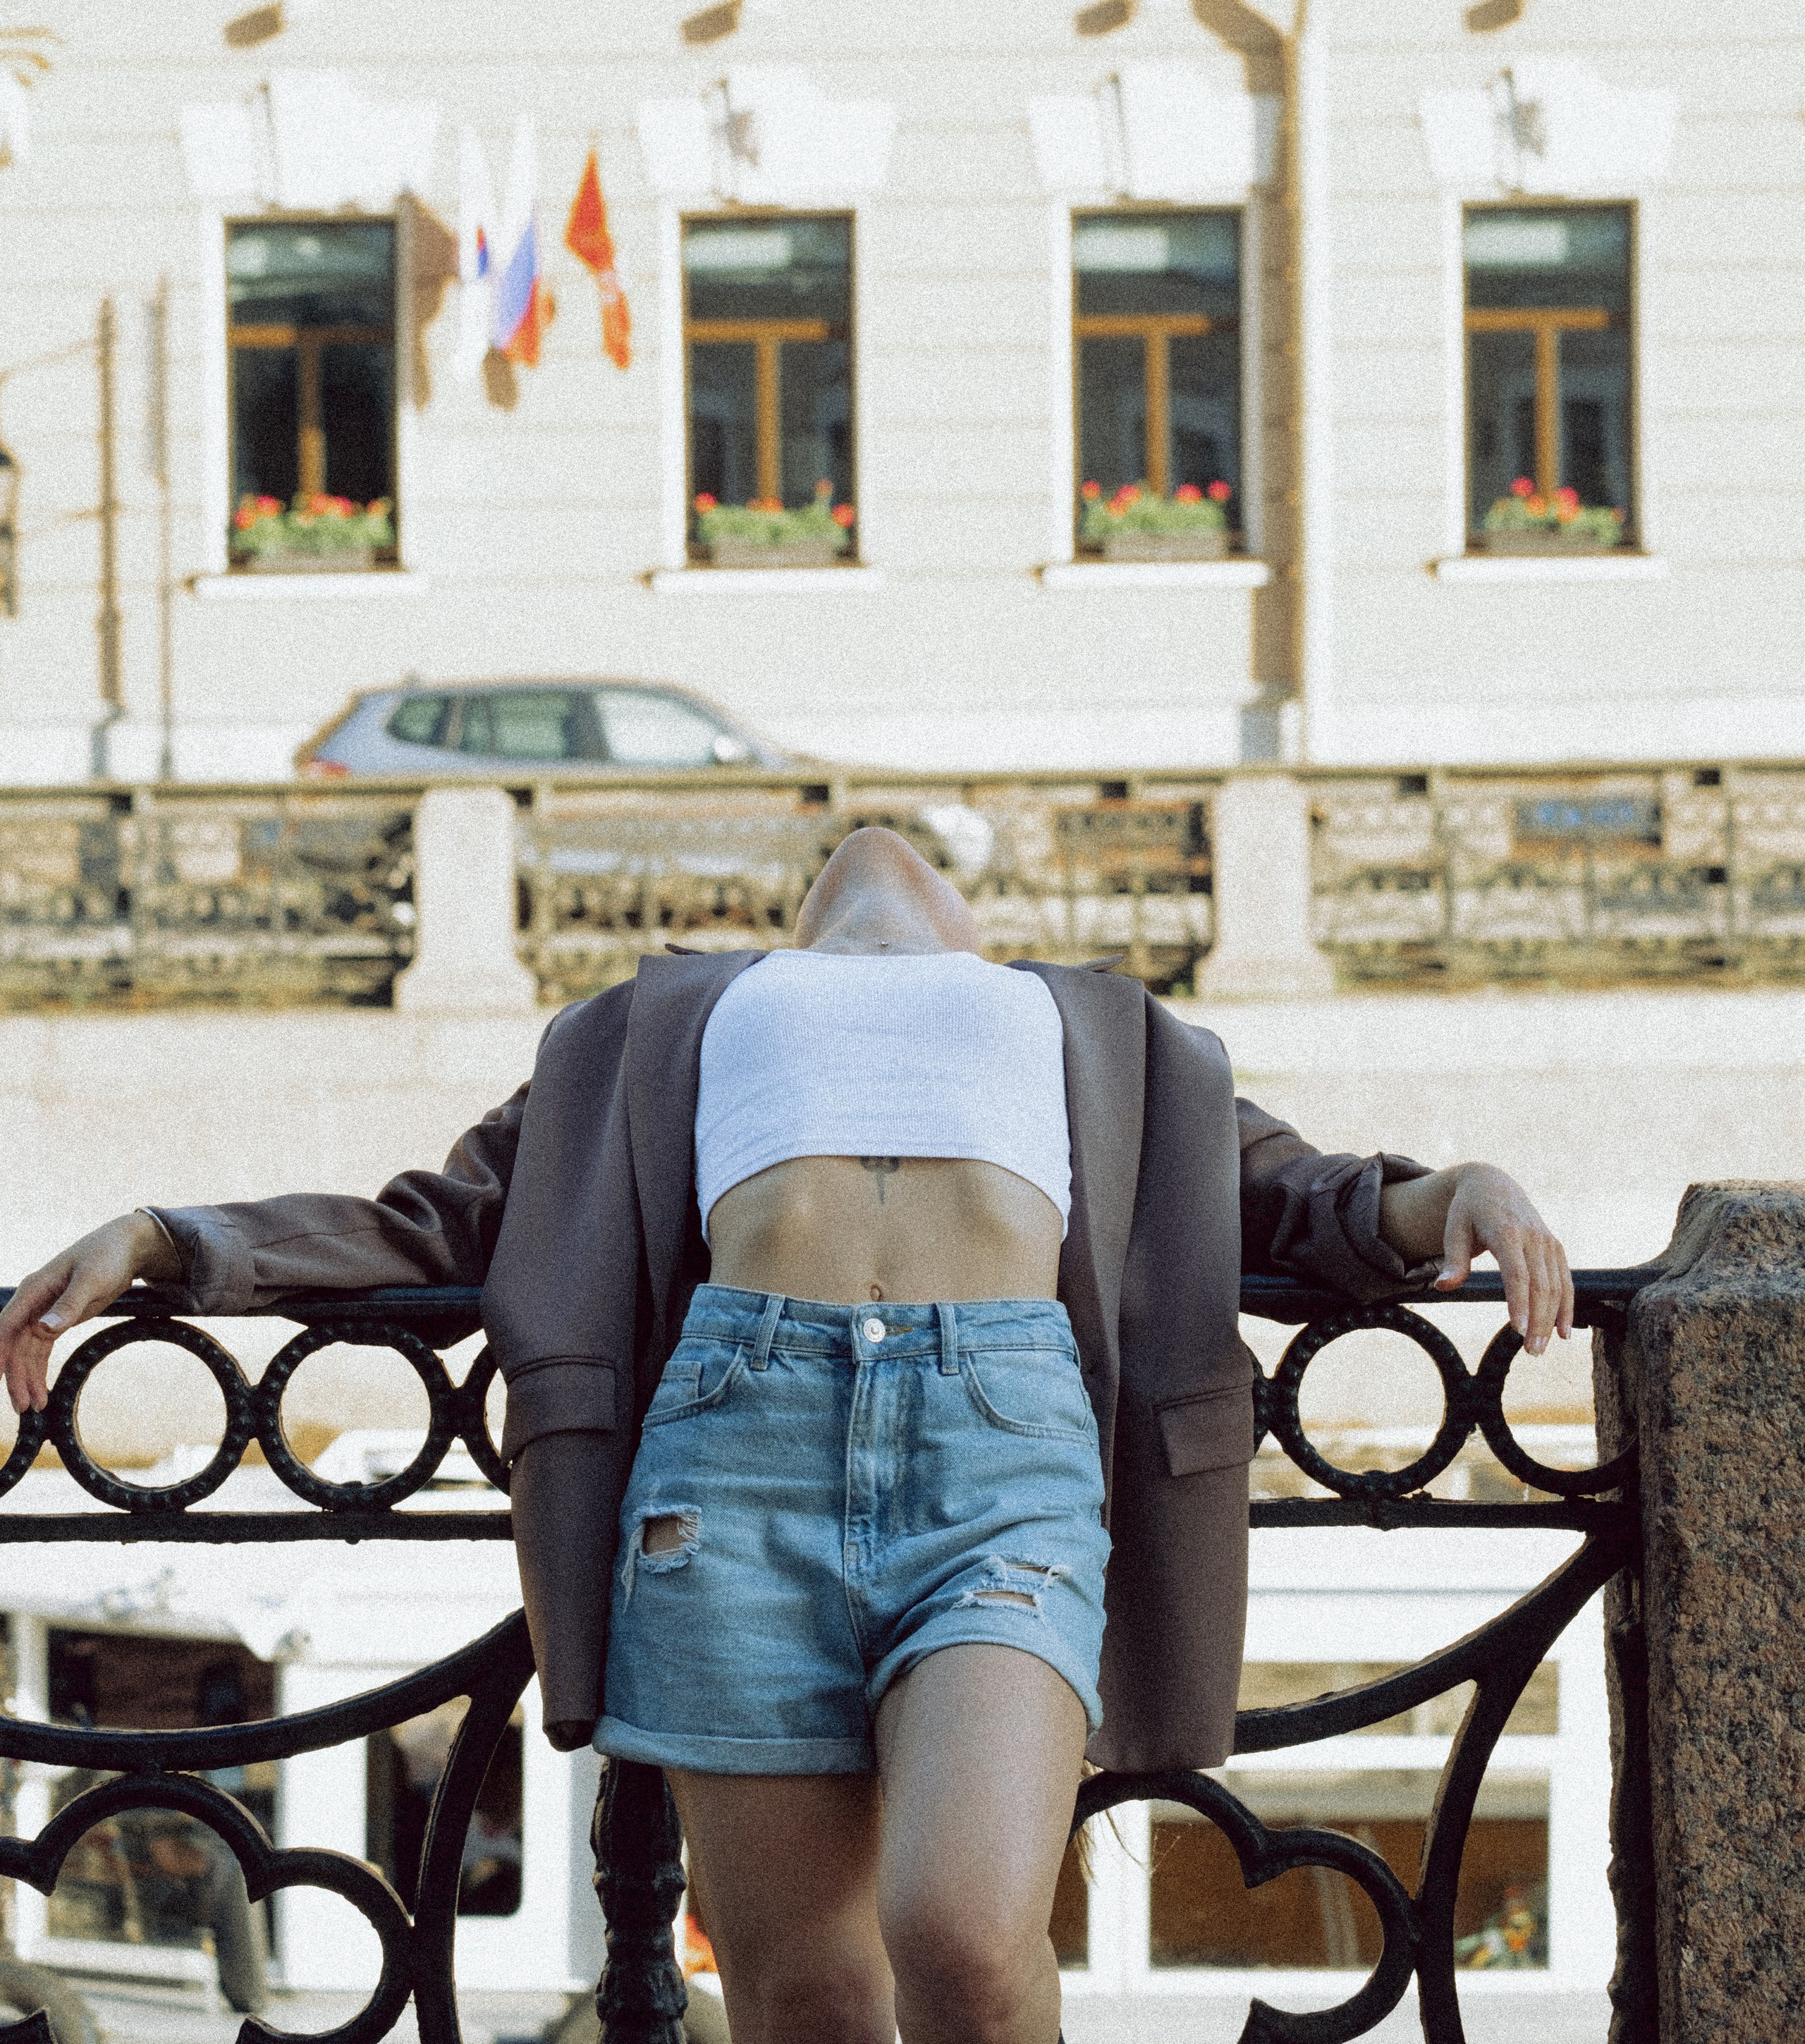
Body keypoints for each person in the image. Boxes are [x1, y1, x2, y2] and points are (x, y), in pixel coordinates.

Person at [0, 828, 1574, 2044]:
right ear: (788, 927)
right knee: (805, 2001)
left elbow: (1306, 1201)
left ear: (974, 933)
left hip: (1003, 1477)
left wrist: (1465, 1190)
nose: (878, 852)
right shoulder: (665, 1021)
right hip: (726, 1482)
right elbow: (435, 1227)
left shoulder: (1086, 1027)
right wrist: (167, 1241)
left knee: (960, 1928)